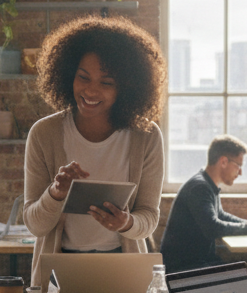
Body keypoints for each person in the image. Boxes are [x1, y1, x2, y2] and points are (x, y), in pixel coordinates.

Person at [23, 15, 166, 279]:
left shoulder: (146, 136)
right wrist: (55, 193)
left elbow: (148, 218)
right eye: (83, 77)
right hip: (57, 267)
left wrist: (127, 223)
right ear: (68, 76)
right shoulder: (44, 134)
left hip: (123, 267)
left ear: (127, 87)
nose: (90, 91)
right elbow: (34, 224)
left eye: (106, 83)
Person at [159, 135, 247, 273]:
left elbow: (221, 216)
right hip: (184, 269)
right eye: (238, 165)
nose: (240, 172)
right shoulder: (200, 187)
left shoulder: (207, 184)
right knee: (246, 273)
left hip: (197, 262)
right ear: (223, 161)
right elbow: (213, 227)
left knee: (244, 272)